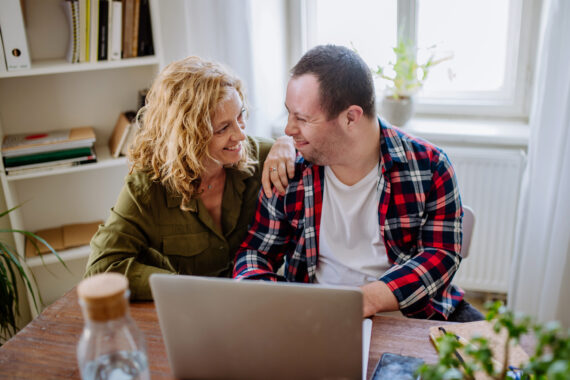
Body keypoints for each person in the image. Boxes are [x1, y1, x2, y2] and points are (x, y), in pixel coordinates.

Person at [233, 45, 483, 321]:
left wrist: (366, 300)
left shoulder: (430, 166)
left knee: (496, 357)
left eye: (302, 119)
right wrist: (274, 298)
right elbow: (256, 252)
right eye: (289, 114)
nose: (289, 129)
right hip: (314, 319)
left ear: (351, 117)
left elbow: (441, 255)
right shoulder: (290, 170)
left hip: (410, 315)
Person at [85, 56, 295, 300]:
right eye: (222, 128)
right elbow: (101, 269)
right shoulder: (147, 188)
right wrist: (182, 287)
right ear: (188, 136)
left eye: (241, 116)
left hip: (253, 304)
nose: (240, 135)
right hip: (189, 311)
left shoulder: (260, 156)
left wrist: (287, 142)